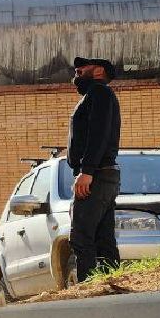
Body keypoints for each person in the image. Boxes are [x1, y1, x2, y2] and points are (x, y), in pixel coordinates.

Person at [66, 56, 122, 282]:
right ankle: (110, 284)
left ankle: (88, 291)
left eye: (82, 67)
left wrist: (87, 171)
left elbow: (98, 134)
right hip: (103, 174)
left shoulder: (99, 93)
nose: (77, 71)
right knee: (103, 237)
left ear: (99, 71)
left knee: (81, 237)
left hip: (97, 175)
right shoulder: (97, 95)